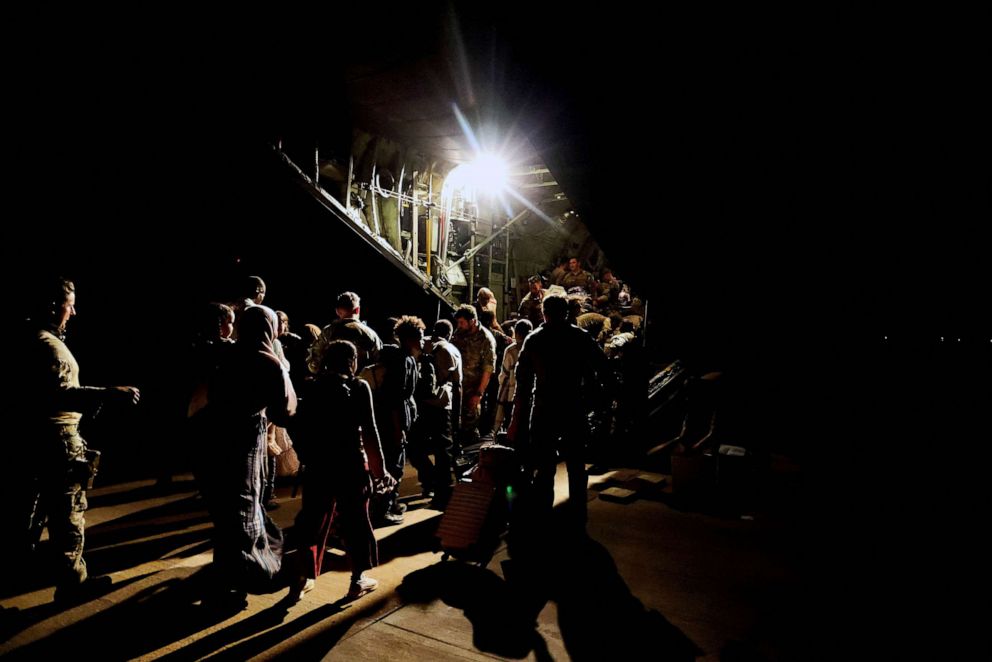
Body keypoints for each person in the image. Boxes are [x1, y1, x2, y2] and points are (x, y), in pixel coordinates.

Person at [15, 277, 140, 603]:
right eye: (70, 305)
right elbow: (57, 395)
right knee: (67, 512)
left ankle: (68, 578)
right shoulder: (45, 344)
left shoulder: (33, 339)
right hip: (56, 440)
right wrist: (109, 394)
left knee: (32, 515)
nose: (74, 312)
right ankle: (73, 583)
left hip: (41, 439)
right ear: (54, 306)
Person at [291, 340, 395, 602]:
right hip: (350, 464)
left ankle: (304, 577)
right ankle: (357, 580)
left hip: (318, 465)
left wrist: (305, 456)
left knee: (313, 519)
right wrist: (380, 471)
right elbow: (370, 433)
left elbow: (298, 426)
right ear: (351, 361)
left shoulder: (312, 386)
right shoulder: (359, 387)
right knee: (356, 522)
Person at [508, 295, 607, 529]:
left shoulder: (533, 340)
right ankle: (577, 517)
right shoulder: (580, 338)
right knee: (576, 464)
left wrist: (515, 419)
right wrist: (600, 402)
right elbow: (603, 368)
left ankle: (543, 517)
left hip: (543, 408)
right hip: (573, 405)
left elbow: (522, 384)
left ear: (543, 313)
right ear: (567, 313)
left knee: (544, 467)